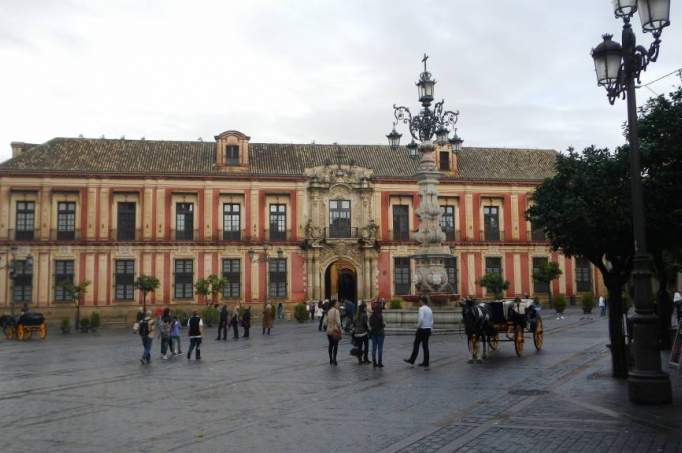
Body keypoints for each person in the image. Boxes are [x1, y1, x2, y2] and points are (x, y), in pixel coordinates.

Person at [404, 296, 433, 369]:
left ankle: (412, 360)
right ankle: (426, 362)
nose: (419, 302)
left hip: (422, 329)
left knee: (416, 345)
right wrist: (430, 328)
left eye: (420, 301)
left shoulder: (421, 309)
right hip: (428, 329)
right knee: (425, 346)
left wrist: (417, 326)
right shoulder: (429, 309)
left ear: (422, 301)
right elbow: (432, 320)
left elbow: (421, 319)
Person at [325, 300, 342, 366]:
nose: (338, 305)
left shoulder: (328, 311)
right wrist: (340, 329)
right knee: (335, 345)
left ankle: (330, 359)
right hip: (335, 330)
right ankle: (335, 359)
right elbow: (338, 322)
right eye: (337, 303)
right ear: (334, 304)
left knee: (330, 345)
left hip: (329, 330)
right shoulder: (336, 311)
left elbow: (325, 322)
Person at [370, 301, 386, 368]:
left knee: (374, 348)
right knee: (380, 348)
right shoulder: (380, 316)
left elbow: (370, 324)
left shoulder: (371, 316)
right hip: (380, 334)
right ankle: (379, 363)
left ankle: (374, 362)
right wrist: (384, 325)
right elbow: (382, 325)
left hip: (373, 333)